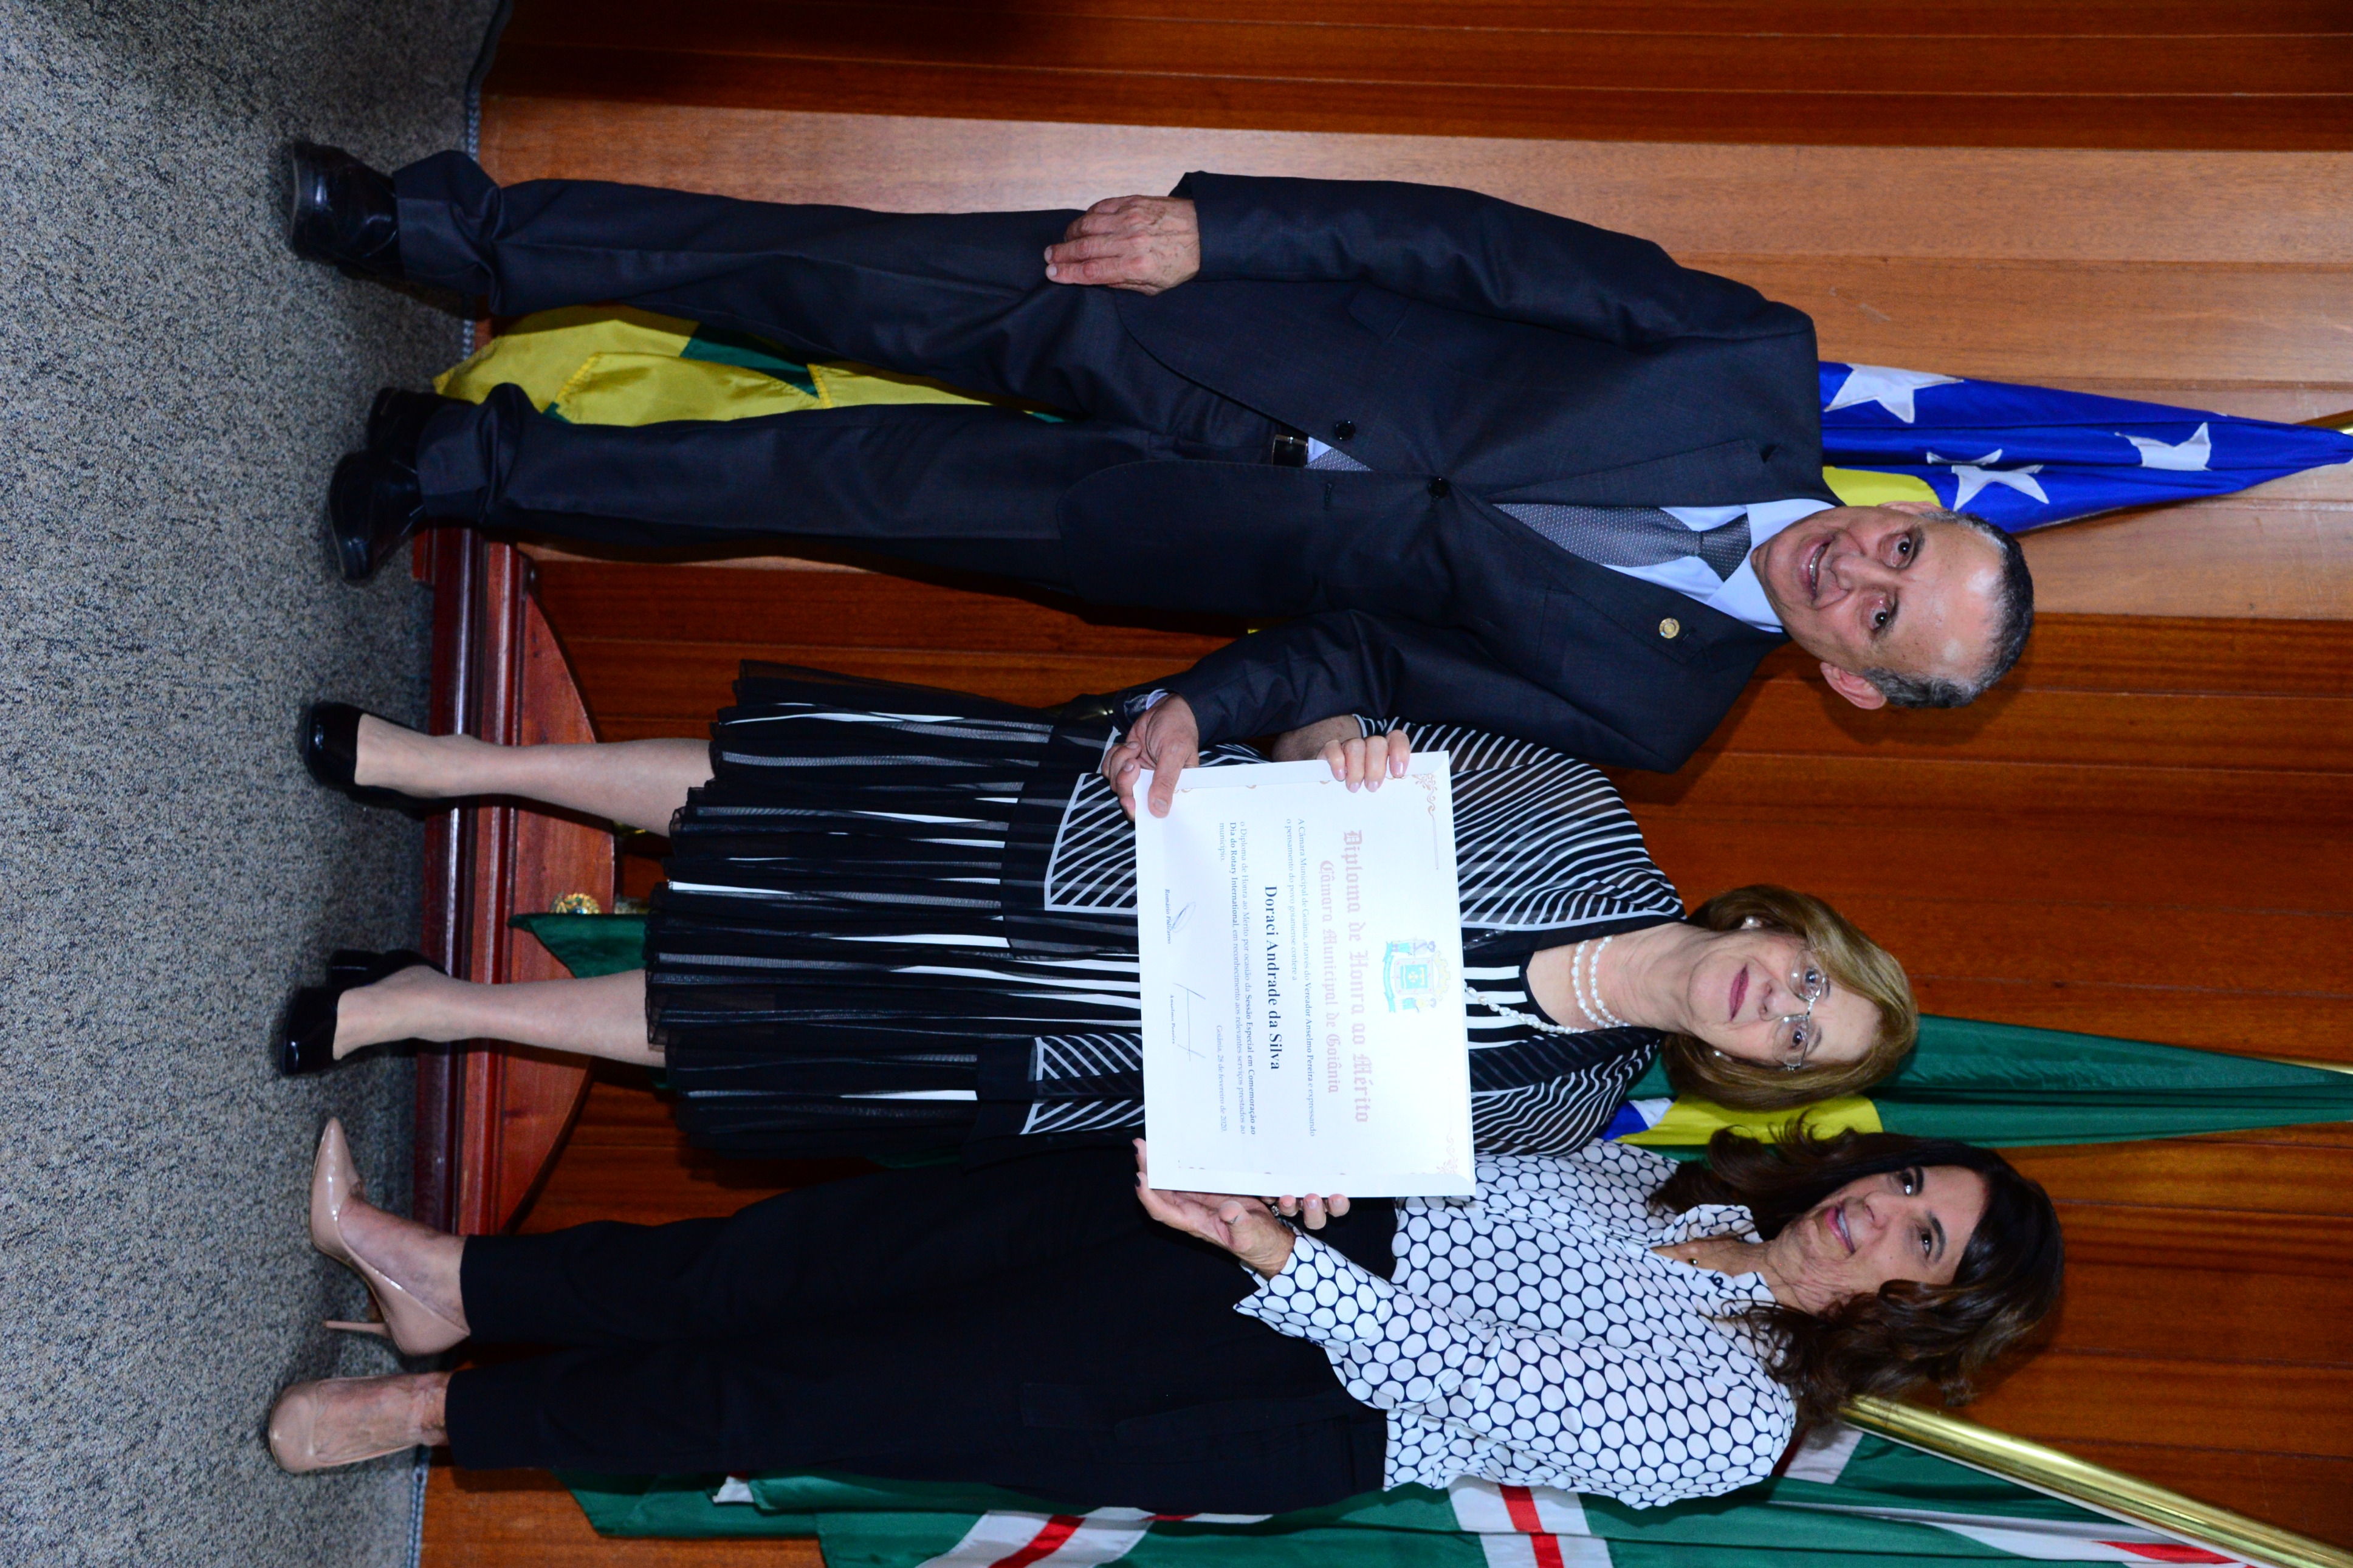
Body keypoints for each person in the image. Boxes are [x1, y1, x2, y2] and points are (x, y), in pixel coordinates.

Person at [282, 145, 2035, 812]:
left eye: (1888, 617)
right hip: (1207, 324)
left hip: (1178, 535)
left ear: (1859, 687)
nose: (1859, 569)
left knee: (825, 489)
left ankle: (458, 467)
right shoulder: (1748, 363)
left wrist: (1207, 709)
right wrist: (1228, 231)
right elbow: (1482, 250)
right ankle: (438, 230)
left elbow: (1367, 659)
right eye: (1906, 544)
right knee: (823, 274)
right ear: (1908, 505)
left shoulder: (1655, 715)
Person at [283, 667, 1920, 1173]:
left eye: (1800, 1040)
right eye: (1811, 982)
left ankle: (430, 1005)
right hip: (1096, 845)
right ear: (1783, 926)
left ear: (1756, 1074)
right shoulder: (1580, 815)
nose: (1779, 1006)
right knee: (788, 795)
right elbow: (1321, 722)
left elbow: (1337, 1144)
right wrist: (1334, 752)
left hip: (1084, 1046)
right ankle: (454, 766)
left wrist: (1290, 1172)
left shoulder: (1565, 1110)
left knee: (765, 1014)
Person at [266, 1118, 2063, 1515]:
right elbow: (1443, 1153)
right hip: (1249, 1225)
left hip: (1268, 1383)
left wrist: (1281, 1257)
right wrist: (1290, 1176)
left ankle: (438, 1421)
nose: (1883, 1210)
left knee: (804, 1394)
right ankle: (457, 1285)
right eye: (1913, 1182)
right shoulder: (1686, 1184)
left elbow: (1483, 1386)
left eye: (1925, 1240)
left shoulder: (1744, 1422)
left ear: (1919, 1315)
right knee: (813, 1258)